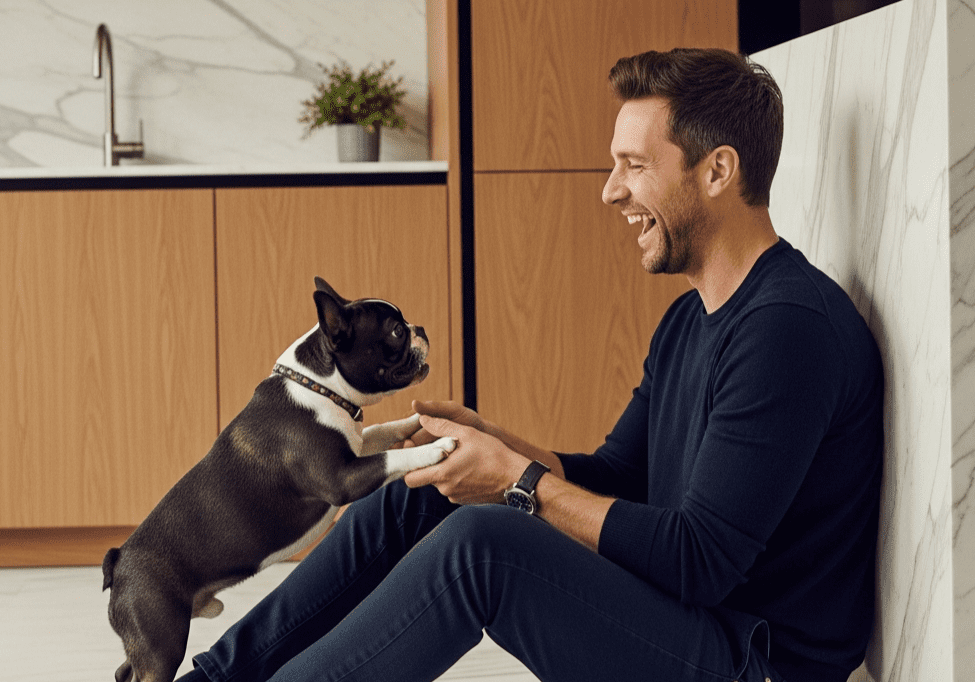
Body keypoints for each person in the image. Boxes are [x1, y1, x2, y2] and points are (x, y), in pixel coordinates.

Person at [177, 48, 883, 682]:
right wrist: (491, 446)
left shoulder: (786, 329)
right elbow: (615, 479)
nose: (611, 190)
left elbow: (698, 560)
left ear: (717, 170)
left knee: (484, 545)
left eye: (634, 166)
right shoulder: (690, 318)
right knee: (424, 486)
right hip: (693, 621)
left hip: (749, 660)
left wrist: (516, 481)